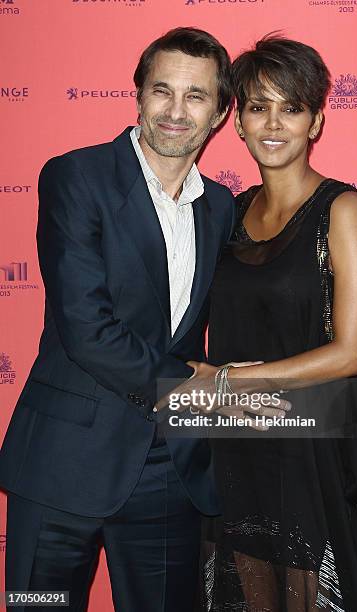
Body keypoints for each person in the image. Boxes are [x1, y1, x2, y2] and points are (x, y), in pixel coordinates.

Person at [0, 27, 238, 612]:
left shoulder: (222, 208)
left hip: (168, 472)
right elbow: (85, 327)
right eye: (162, 90)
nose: (176, 111)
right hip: (62, 464)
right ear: (137, 96)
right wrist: (192, 385)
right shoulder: (77, 176)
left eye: (196, 96)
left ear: (219, 113)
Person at [193, 35, 357, 611]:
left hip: (312, 450)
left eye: (292, 107)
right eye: (258, 106)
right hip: (239, 445)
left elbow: (353, 354)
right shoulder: (227, 214)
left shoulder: (344, 209)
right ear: (236, 122)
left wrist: (230, 382)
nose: (273, 123)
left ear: (316, 122)